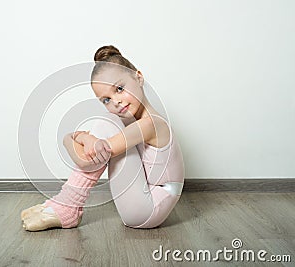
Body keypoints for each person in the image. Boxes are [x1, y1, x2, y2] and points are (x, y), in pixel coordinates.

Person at [21, 45, 185, 231]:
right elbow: (91, 157)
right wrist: (74, 138)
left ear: (138, 77)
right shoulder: (131, 122)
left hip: (149, 209)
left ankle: (68, 206)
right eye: (106, 100)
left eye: (120, 89)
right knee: (109, 122)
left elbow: (86, 161)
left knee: (108, 121)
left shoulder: (151, 124)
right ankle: (65, 203)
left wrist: (73, 138)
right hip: (141, 198)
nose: (116, 101)